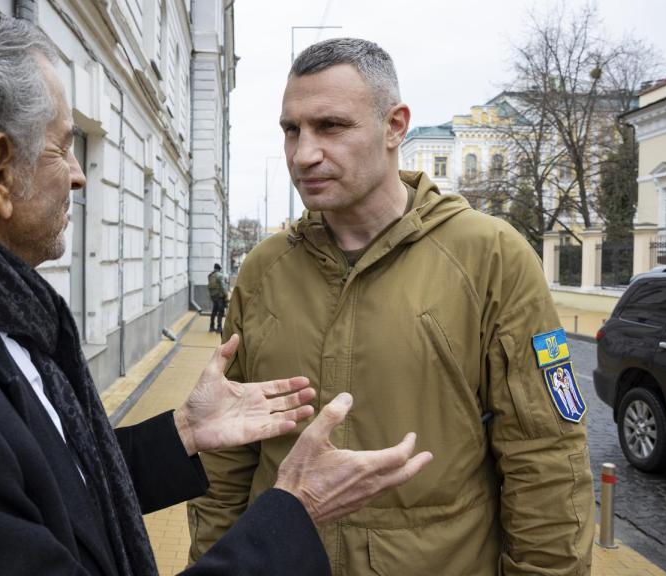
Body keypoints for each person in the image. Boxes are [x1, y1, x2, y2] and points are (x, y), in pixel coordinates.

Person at [0, 8, 433, 576]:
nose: (79, 176)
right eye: (62, 145)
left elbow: (38, 495)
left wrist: (184, 433)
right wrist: (297, 512)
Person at [188, 38, 594, 575]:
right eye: (292, 129)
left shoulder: (490, 256)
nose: (303, 153)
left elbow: (544, 457)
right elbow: (227, 462)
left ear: (395, 126)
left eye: (330, 126)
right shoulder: (264, 270)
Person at [207, 263, 228, 333]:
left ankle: (211, 327)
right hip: (220, 296)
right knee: (221, 312)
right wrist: (226, 295)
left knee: (214, 311)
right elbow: (223, 286)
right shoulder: (220, 275)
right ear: (219, 269)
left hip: (213, 296)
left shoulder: (210, 275)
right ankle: (219, 328)